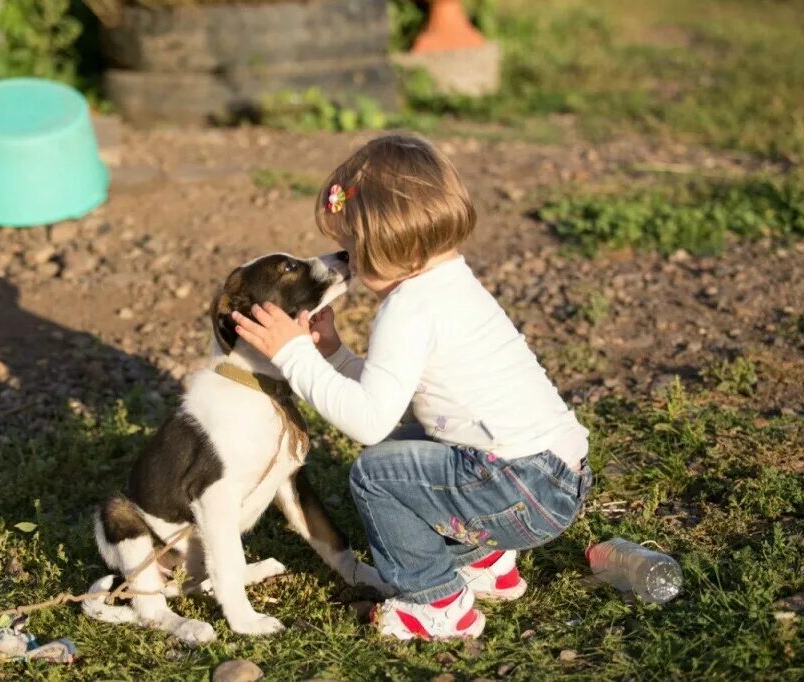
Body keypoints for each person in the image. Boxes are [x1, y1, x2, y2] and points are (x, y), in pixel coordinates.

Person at [232, 134, 592, 640]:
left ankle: (439, 603)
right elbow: (388, 400)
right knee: (405, 447)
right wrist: (332, 354)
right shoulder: (448, 285)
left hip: (519, 487)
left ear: (402, 247)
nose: (349, 263)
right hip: (553, 476)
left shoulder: (408, 310)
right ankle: (487, 563)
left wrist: (292, 354)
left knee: (376, 474)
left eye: (356, 249)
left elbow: (367, 420)